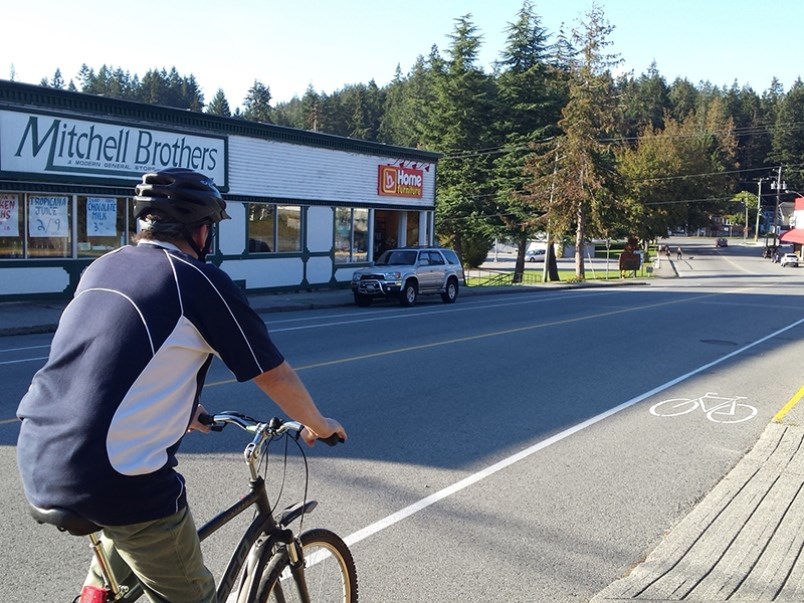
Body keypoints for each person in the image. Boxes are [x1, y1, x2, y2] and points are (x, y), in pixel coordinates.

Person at [16, 168, 346, 603]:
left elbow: (111, 362)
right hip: (116, 475)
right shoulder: (196, 280)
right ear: (202, 230)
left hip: (40, 452)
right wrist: (318, 424)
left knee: (115, 562)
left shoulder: (104, 266)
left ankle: (95, 595)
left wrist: (184, 408)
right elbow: (274, 374)